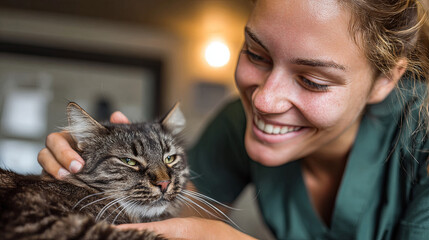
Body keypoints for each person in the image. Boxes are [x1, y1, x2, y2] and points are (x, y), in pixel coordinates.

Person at [38, 0, 429, 239]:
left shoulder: (420, 136)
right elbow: (172, 214)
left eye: (311, 79)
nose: (263, 100)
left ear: (386, 79)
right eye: (255, 54)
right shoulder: (236, 123)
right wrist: (85, 191)